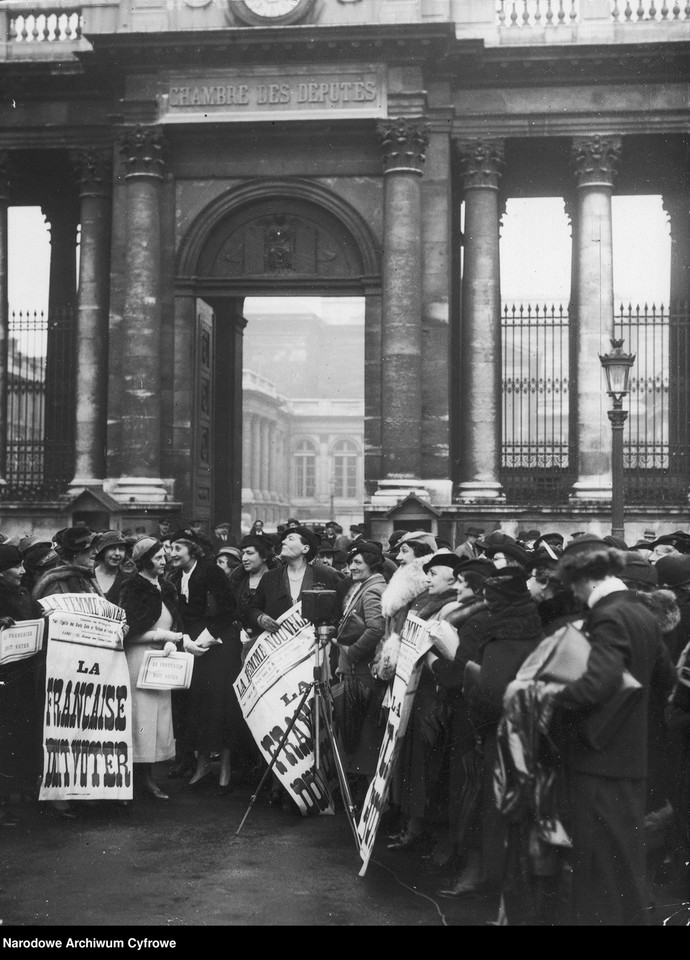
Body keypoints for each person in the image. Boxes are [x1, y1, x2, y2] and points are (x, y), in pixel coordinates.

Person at [552, 535, 676, 925]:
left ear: (587, 579)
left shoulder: (607, 616)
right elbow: (666, 679)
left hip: (597, 758)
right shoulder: (641, 612)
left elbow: (596, 685)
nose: (572, 593)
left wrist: (544, 692)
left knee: (597, 865)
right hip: (629, 756)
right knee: (624, 861)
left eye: (572, 584)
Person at [426, 558, 496, 897]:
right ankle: (465, 859)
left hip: (471, 713)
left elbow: (458, 672)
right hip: (470, 712)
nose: (458, 588)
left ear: (479, 589)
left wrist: (433, 660)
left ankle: (472, 868)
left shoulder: (475, 622)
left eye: (464, 584)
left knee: (468, 787)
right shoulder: (476, 617)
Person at [118, 537, 206, 801]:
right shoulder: (132, 587)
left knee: (157, 720)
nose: (164, 561)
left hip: (162, 660)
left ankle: (147, 779)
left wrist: (179, 639)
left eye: (163, 557)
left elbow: (175, 623)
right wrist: (162, 637)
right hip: (139, 659)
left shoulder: (166, 586)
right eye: (157, 558)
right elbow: (129, 632)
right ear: (144, 561)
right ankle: (132, 781)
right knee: (139, 720)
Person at [32, 526, 105, 819]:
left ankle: (78, 787)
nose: (95, 555)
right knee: (60, 727)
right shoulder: (55, 581)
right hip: (60, 664)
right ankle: (56, 792)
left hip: (85, 663)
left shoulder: (88, 579)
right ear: (74, 554)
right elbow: (48, 620)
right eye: (89, 551)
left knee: (84, 726)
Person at [168, 536, 239, 793]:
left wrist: (204, 640)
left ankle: (226, 768)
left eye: (178, 547)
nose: (172, 552)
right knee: (197, 707)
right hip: (193, 649)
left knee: (222, 706)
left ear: (192, 550)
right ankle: (203, 764)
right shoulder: (175, 578)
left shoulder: (212, 572)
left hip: (220, 646)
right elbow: (179, 616)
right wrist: (186, 640)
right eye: (170, 548)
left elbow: (229, 610)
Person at [332, 541, 387, 805]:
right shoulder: (367, 587)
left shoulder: (372, 590)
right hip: (356, 672)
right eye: (350, 562)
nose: (351, 566)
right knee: (360, 740)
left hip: (362, 675)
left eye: (357, 562)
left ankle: (370, 805)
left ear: (371, 564)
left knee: (364, 741)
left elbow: (376, 629)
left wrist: (351, 653)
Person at [246, 525, 341, 637]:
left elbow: (336, 614)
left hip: (313, 648)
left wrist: (332, 628)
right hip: (278, 647)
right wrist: (260, 618)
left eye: (290, 539)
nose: (284, 542)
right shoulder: (270, 577)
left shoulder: (323, 576)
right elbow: (252, 609)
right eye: (284, 539)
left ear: (305, 548)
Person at [0, 543, 37, 824]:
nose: (23, 571)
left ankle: (15, 792)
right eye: (17, 566)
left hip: (22, 676)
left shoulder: (24, 594)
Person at [92, 530, 133, 604]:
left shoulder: (127, 580)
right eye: (112, 548)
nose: (117, 553)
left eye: (121, 549)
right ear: (102, 552)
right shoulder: (88, 577)